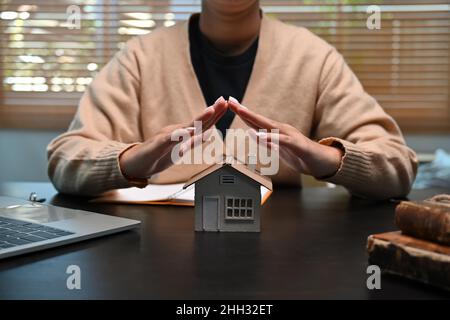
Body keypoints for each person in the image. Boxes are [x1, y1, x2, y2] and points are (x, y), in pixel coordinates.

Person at [47, 0, 417, 200]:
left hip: (284, 260)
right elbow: (65, 161)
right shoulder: (139, 58)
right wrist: (132, 160)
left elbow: (398, 168)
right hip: (152, 256)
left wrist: (322, 157)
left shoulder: (313, 58)